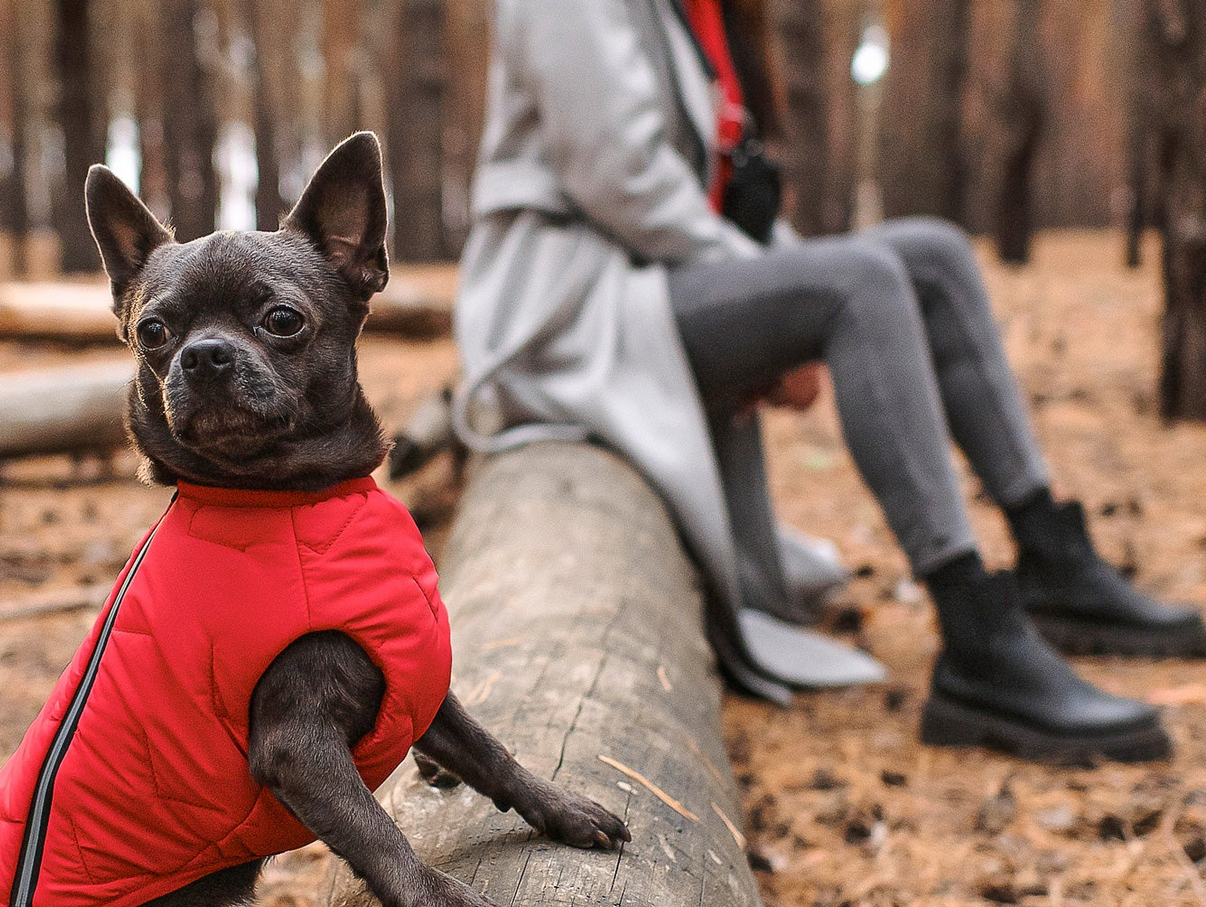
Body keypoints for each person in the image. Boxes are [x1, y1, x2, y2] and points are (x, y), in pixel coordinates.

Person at [452, 0, 1204, 763]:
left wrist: (783, 281)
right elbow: (619, 177)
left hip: (649, 278)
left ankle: (1053, 560)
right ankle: (976, 640)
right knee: (857, 283)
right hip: (575, 309)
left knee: (933, 258)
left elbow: (719, 196)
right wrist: (787, 304)